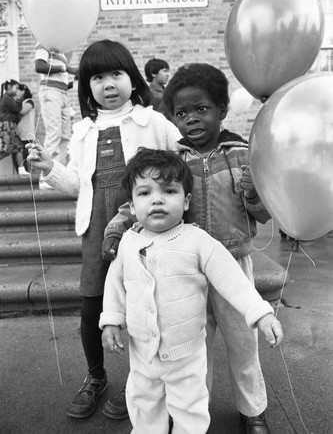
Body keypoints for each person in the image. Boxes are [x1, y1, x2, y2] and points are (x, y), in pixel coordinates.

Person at [103, 63, 277, 434]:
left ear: (222, 110)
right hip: (183, 271)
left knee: (243, 344)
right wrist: (118, 229)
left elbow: (263, 213)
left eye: (202, 109)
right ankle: (195, 412)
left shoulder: (241, 155)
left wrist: (253, 191)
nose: (192, 119)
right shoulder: (175, 160)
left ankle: (253, 409)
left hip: (232, 263)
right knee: (195, 346)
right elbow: (136, 202)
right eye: (182, 113)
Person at [27, 39, 181, 422]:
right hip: (96, 230)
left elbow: (182, 165)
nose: (108, 83)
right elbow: (79, 184)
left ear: (132, 78)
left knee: (146, 308)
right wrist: (49, 168)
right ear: (87, 87)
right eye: (97, 77)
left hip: (144, 230)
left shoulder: (153, 121)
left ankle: (142, 382)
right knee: (91, 308)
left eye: (117, 73)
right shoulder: (82, 131)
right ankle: (96, 377)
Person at [35, 43, 78, 188]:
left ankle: (58, 176)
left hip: (62, 93)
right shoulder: (44, 44)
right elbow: (39, 66)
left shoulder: (62, 55)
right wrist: (67, 68)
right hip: (50, 91)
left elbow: (63, 83)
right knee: (54, 132)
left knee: (65, 135)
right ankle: (45, 176)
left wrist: (77, 80)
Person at [0, 79, 28, 175]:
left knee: (18, 148)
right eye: (15, 88)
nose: (17, 91)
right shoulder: (7, 98)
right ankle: (21, 169)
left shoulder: (8, 98)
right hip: (8, 125)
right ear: (9, 88)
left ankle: (21, 170)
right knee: (6, 150)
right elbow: (17, 109)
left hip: (12, 125)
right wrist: (20, 98)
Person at [17, 84, 35, 173]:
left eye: (18, 90)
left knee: (26, 156)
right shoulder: (19, 103)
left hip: (27, 133)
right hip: (20, 133)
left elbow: (22, 111)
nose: (16, 92)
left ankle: (28, 176)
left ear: (23, 91)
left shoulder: (29, 101)